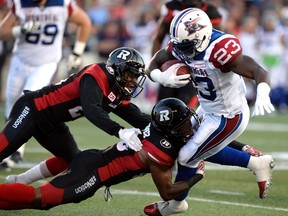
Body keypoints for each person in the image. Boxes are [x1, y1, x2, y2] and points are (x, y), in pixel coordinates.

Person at [144, 8, 275, 215]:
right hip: (206, 107)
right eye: (180, 45)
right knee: (180, 141)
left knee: (187, 157)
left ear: (202, 36)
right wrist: (161, 77)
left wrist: (263, 91)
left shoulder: (220, 49)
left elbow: (259, 71)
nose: (182, 52)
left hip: (229, 115)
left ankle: (176, 205)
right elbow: (154, 62)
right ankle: (256, 162)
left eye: (186, 46)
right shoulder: (183, 42)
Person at [0, 97, 206, 210]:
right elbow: (167, 192)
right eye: (184, 123)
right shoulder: (159, 150)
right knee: (41, 197)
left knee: (41, 203)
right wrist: (196, 176)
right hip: (92, 172)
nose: (190, 126)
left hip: (93, 163)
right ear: (170, 129)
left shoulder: (157, 131)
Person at [0, 47, 151, 182]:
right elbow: (92, 110)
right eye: (129, 74)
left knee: (72, 161)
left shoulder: (117, 91)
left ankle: (19, 180)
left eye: (136, 76)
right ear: (115, 70)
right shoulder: (95, 74)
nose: (133, 81)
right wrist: (119, 131)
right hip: (32, 109)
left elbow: (136, 116)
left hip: (52, 123)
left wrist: (164, 124)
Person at [0, 0, 91, 168]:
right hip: (20, 60)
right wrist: (19, 30)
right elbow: (2, 31)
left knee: (27, 101)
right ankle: (13, 148)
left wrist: (77, 52)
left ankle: (15, 151)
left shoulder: (62, 4)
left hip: (46, 63)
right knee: (12, 103)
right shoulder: (20, 4)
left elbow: (84, 22)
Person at [152, 0, 222, 109]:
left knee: (183, 109)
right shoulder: (172, 7)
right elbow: (158, 38)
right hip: (173, 60)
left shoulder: (211, 13)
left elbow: (217, 42)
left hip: (196, 65)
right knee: (162, 108)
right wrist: (158, 66)